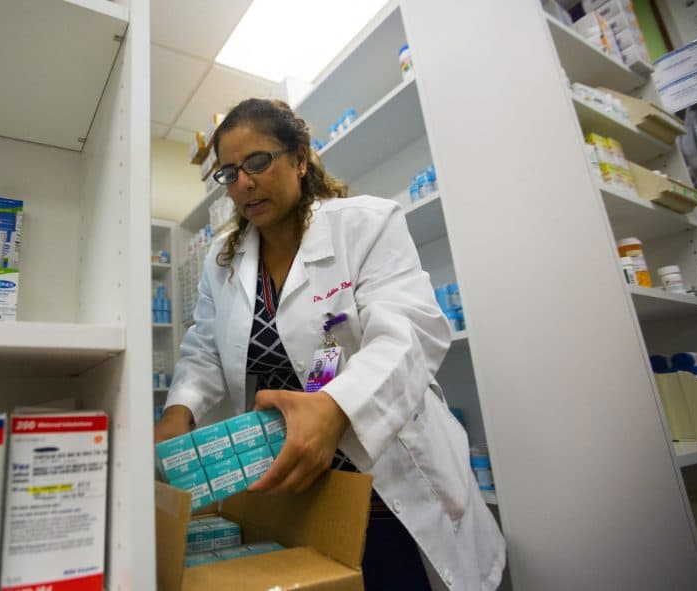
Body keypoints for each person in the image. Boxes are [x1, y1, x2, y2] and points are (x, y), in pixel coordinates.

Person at [154, 98, 505, 590]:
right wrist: (178, 413)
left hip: (383, 480)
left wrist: (337, 407)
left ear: (300, 157)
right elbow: (204, 348)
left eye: (258, 162)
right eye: (230, 173)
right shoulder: (222, 261)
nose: (244, 182)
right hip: (293, 482)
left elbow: (409, 329)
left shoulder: (365, 224)